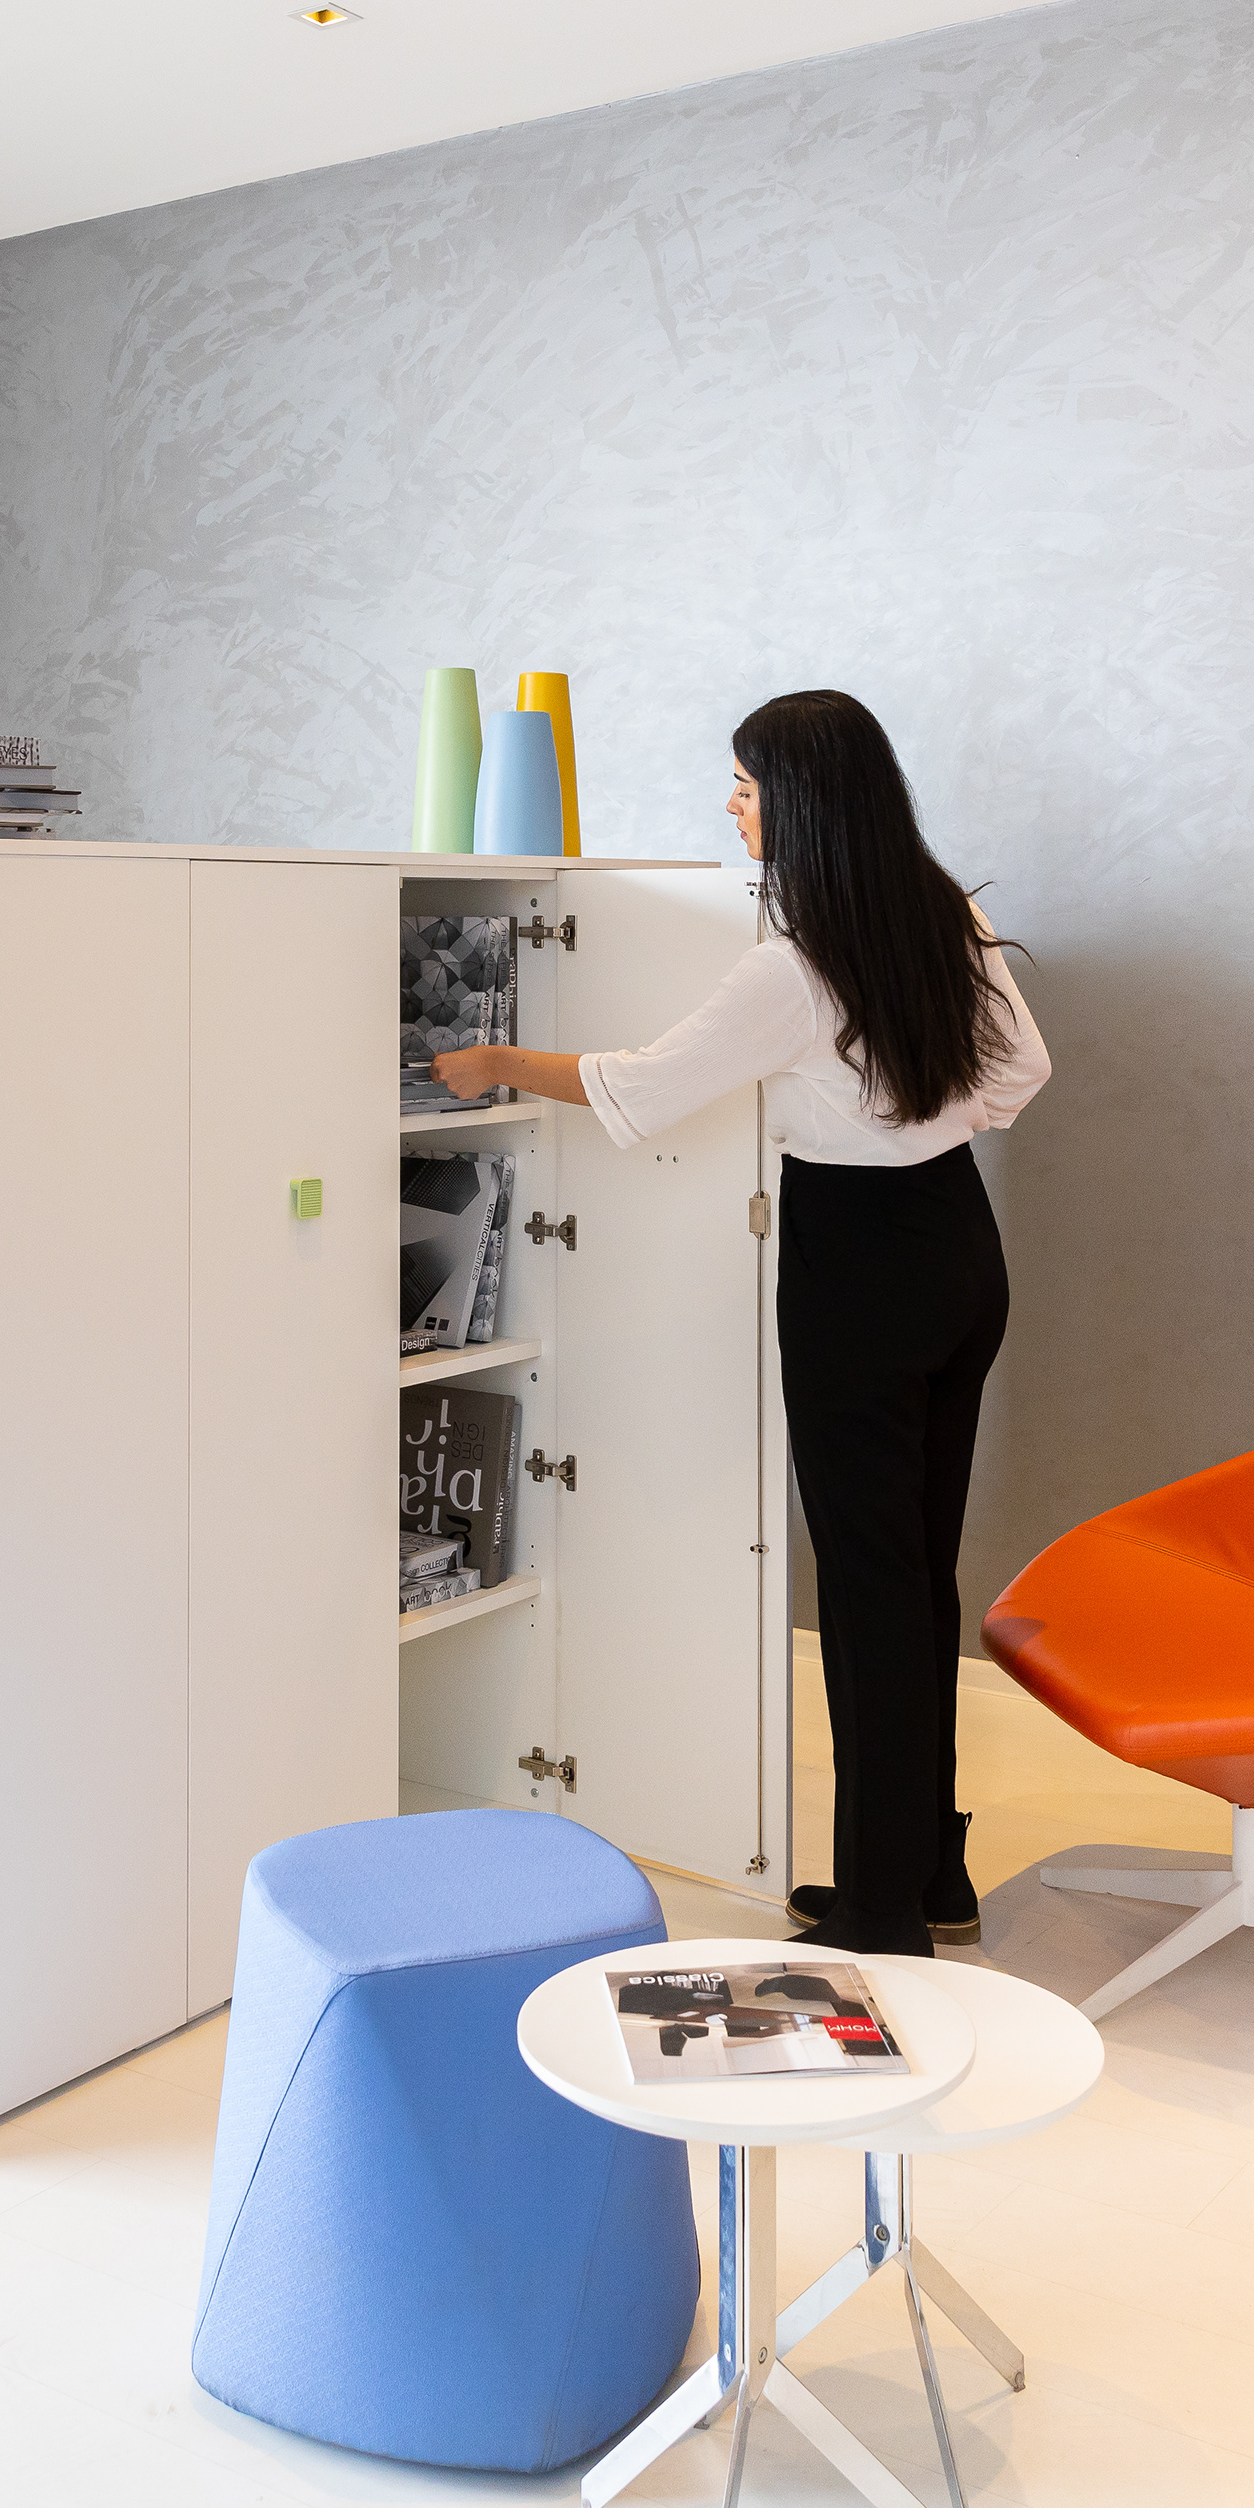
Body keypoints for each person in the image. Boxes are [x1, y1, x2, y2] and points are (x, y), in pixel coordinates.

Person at [435, 689, 1048, 1957]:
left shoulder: (793, 967)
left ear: (805, 805)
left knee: (869, 1587)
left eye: (747, 787)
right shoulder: (947, 915)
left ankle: (880, 1911)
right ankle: (926, 1868)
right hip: (958, 1245)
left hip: (857, 1268)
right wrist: (926, 1118)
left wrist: (496, 1065)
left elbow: (643, 1085)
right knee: (915, 1571)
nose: (732, 805)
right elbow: (1020, 1073)